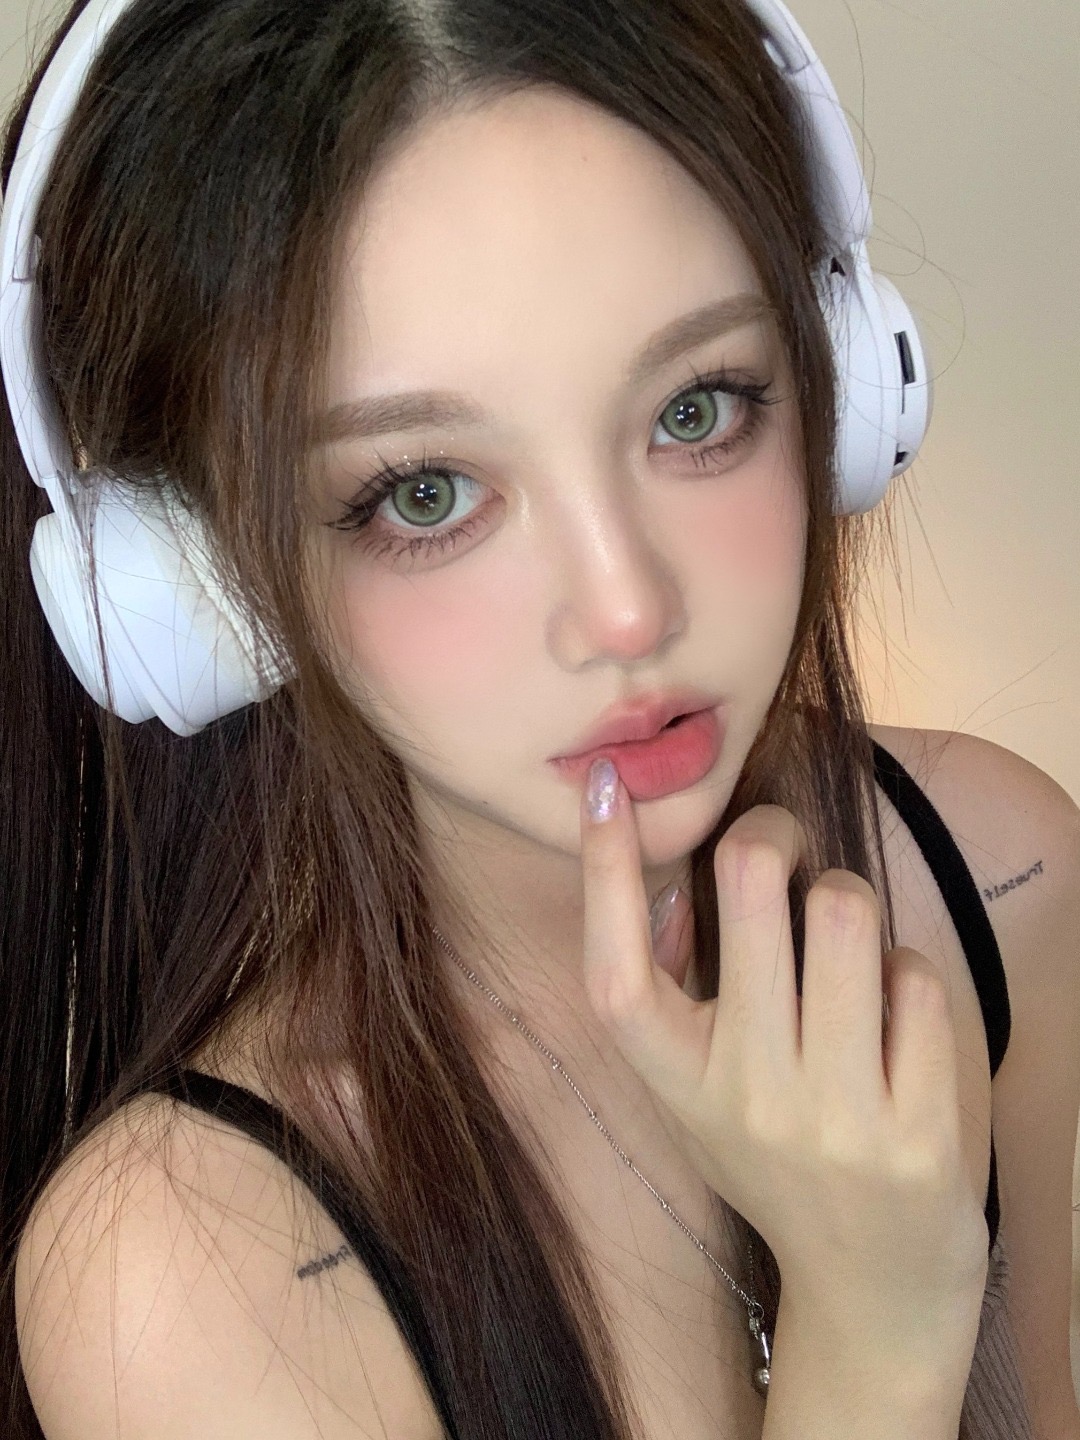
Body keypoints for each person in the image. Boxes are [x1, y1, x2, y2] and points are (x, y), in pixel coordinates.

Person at [1, 0, 1078, 1436]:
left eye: (697, 409)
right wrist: (875, 1330)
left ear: (844, 387)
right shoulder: (187, 1269)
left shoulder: (1001, 879)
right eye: (426, 492)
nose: (626, 608)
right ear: (202, 590)